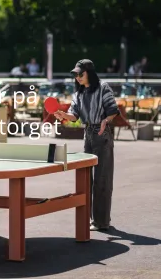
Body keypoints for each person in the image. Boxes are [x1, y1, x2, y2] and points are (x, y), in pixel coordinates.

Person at [54, 59, 119, 231]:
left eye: (80, 74)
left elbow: (112, 111)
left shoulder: (103, 87)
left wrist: (105, 121)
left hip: (102, 133)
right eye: (75, 75)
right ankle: (91, 219)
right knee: (86, 180)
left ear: (89, 72)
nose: (77, 77)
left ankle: (102, 221)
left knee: (102, 179)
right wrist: (62, 114)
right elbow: (74, 116)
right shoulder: (78, 93)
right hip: (88, 134)